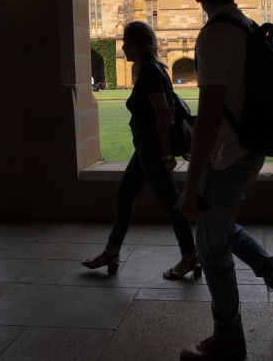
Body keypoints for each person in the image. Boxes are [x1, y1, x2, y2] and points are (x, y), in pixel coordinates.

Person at [176, 0, 273, 361]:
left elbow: (211, 114)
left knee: (212, 250)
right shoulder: (248, 27)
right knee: (220, 228)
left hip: (228, 154)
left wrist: (191, 180)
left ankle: (229, 339)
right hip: (251, 146)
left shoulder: (215, 35)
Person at [82, 21, 201, 281]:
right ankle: (112, 252)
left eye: (127, 42)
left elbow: (163, 113)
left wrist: (167, 154)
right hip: (146, 146)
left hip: (152, 147)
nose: (123, 46)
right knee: (124, 194)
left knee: (172, 203)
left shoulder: (149, 71)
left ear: (138, 45)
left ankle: (190, 257)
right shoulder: (156, 67)